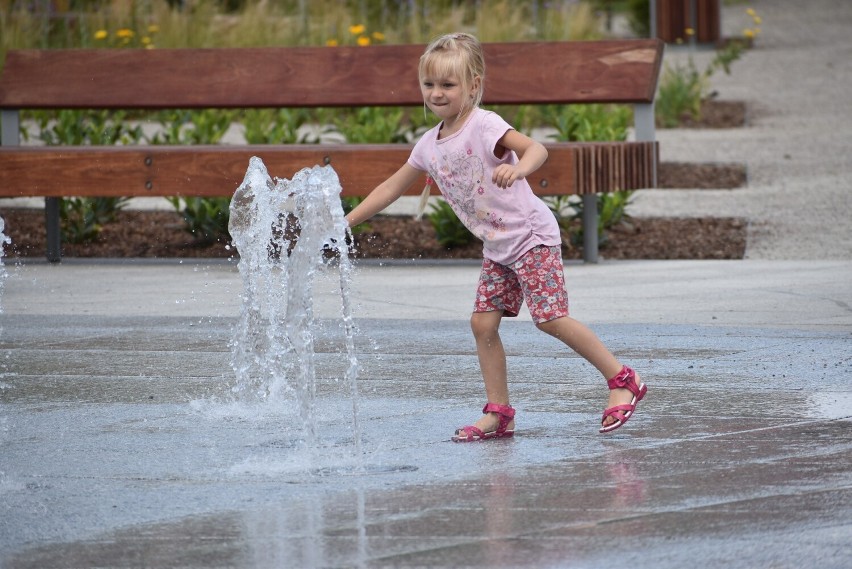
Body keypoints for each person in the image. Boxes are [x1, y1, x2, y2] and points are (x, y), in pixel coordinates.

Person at [344, 32, 647, 441]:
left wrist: (520, 169)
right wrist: (346, 223)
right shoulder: (428, 145)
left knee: (550, 319)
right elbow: (389, 189)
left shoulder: (485, 125)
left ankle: (622, 379)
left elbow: (536, 149)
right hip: (499, 247)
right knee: (482, 324)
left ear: (473, 85)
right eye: (429, 84)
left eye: (448, 85)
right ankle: (499, 412)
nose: (437, 93)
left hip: (531, 236)